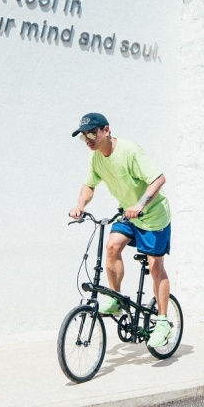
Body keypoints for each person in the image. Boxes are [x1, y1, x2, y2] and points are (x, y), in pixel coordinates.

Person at [68, 112, 173, 348]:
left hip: (153, 216)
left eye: (92, 134)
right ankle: (115, 298)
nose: (88, 140)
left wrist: (140, 205)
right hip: (128, 213)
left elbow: (159, 178)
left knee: (156, 267)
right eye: (83, 136)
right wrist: (80, 206)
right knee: (112, 246)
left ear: (106, 130)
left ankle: (163, 322)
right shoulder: (96, 157)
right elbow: (89, 184)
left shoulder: (130, 151)